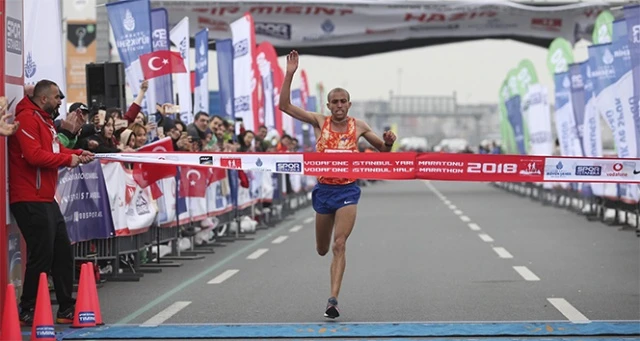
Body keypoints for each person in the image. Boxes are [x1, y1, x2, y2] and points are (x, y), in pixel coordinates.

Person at [278, 50, 397, 319]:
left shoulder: (360, 126)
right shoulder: (320, 122)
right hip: (323, 191)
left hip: (348, 191)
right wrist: (289, 74)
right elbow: (284, 106)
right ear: (329, 106)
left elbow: (384, 153)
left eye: (344, 101)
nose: (340, 105)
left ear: (349, 104)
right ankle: (330, 281)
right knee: (322, 249)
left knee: (339, 244)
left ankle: (333, 300)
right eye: (335, 102)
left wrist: (388, 141)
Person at [8, 79, 94, 325]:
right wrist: (70, 161)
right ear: (43, 98)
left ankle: (66, 307)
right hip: (28, 196)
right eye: (57, 97)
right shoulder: (25, 119)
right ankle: (27, 308)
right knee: (42, 254)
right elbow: (34, 156)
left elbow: (55, 150)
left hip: (45, 197)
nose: (60, 101)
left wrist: (78, 153)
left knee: (62, 252)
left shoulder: (44, 122)